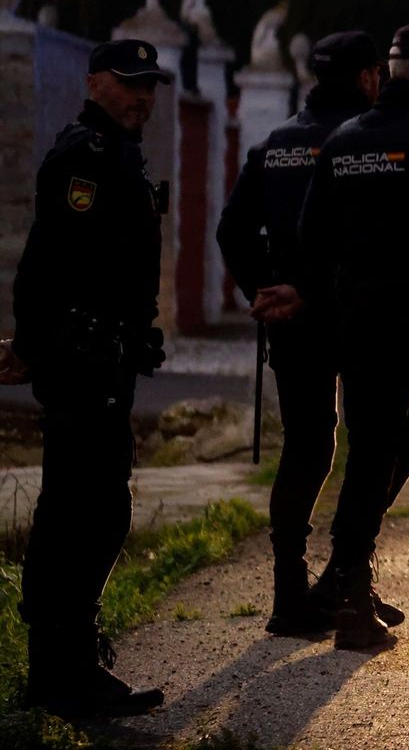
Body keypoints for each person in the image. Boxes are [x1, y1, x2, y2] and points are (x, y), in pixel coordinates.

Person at [215, 30, 409, 636]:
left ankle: (291, 594)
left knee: (306, 447)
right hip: (357, 315)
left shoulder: (274, 146)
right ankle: (344, 579)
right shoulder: (368, 145)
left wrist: (264, 290)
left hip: (294, 322)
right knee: (393, 442)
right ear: (368, 80)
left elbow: (230, 231)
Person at [5, 39, 172, 715]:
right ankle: (62, 671)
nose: (142, 96)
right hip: (82, 363)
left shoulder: (118, 155)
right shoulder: (86, 156)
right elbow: (51, 262)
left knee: (89, 510)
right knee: (86, 512)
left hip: (103, 359)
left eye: (149, 86)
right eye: (129, 83)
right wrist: (43, 345)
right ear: (95, 81)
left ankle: (64, 666)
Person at [296, 22, 409, 649]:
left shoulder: (344, 142)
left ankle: (347, 594)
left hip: (364, 325)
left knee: (370, 456)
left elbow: (310, 240)